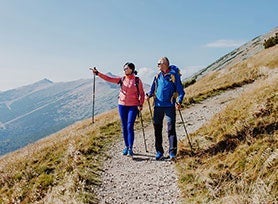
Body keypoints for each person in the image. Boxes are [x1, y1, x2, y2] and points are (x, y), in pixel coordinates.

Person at [91, 62, 145, 157]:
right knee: (124, 126)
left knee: (129, 126)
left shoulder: (137, 80)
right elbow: (109, 79)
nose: (125, 70)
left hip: (133, 105)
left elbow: (142, 93)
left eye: (126, 68)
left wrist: (141, 104)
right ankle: (126, 146)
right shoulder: (122, 79)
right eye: (124, 69)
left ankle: (130, 148)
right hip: (122, 105)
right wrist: (98, 73)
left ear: (132, 69)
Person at [146, 57, 185, 160]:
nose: (158, 65)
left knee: (171, 129)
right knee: (157, 129)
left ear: (166, 64)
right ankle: (159, 152)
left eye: (160, 63)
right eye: (158, 64)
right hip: (158, 106)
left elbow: (181, 91)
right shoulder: (157, 76)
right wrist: (148, 95)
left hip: (169, 106)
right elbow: (152, 89)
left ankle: (172, 153)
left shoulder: (174, 75)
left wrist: (179, 101)